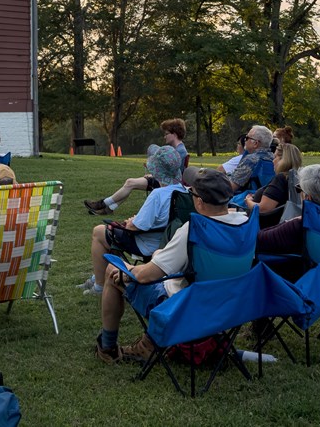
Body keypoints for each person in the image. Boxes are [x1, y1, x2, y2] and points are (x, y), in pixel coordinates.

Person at [95, 169, 247, 364]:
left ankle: (107, 348)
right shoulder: (245, 223)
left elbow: (145, 277)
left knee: (111, 271)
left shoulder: (194, 229)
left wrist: (127, 271)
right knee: (160, 259)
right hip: (228, 307)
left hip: (185, 309)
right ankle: (150, 343)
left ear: (199, 201)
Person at [80, 146, 185, 294]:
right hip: (168, 243)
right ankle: (100, 275)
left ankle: (99, 285)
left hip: (147, 244)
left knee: (99, 232)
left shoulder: (158, 194)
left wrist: (131, 221)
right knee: (111, 234)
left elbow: (135, 227)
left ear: (157, 171)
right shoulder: (183, 191)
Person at [256, 164, 320, 277]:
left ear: (308, 198)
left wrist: (288, 222)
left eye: (299, 189)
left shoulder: (299, 226)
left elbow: (258, 240)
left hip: (297, 283)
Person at [83, 143, 182, 216]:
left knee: (130, 183)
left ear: (174, 133)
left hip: (169, 181)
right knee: (130, 183)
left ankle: (103, 204)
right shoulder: (173, 148)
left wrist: (156, 174)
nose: (165, 136)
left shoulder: (180, 150)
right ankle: (108, 208)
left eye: (167, 133)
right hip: (165, 178)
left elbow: (174, 170)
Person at [244, 142, 302, 218]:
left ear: (283, 160)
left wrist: (248, 201)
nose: (273, 161)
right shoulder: (297, 178)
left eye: (275, 157)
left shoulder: (281, 179)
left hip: (263, 225)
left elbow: (263, 209)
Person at [229, 125, 275, 192]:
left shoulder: (251, 160)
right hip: (268, 198)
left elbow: (231, 187)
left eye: (247, 138)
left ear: (255, 143)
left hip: (248, 199)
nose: (245, 140)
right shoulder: (273, 158)